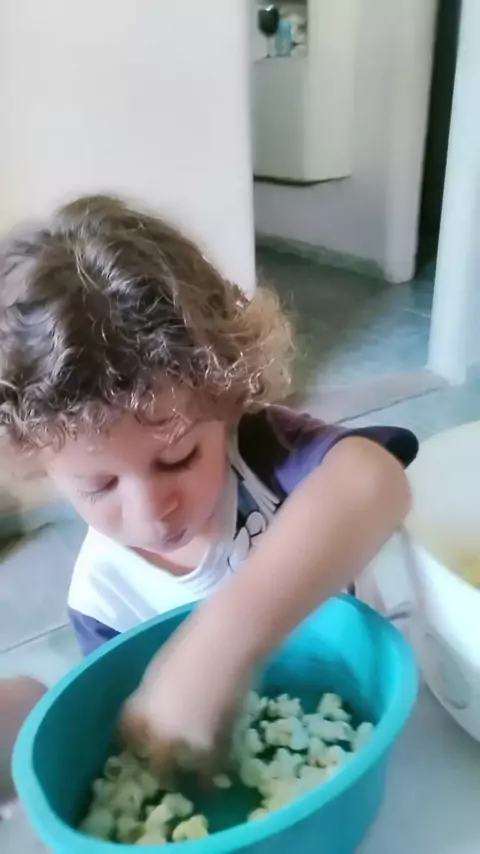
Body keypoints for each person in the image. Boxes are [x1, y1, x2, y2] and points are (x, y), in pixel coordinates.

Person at [0, 195, 417, 770]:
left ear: (224, 402)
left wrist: (221, 642)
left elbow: (375, 481)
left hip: (375, 714)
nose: (151, 510)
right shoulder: (104, 598)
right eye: (100, 486)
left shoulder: (261, 455)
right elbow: (133, 744)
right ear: (39, 466)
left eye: (178, 459)